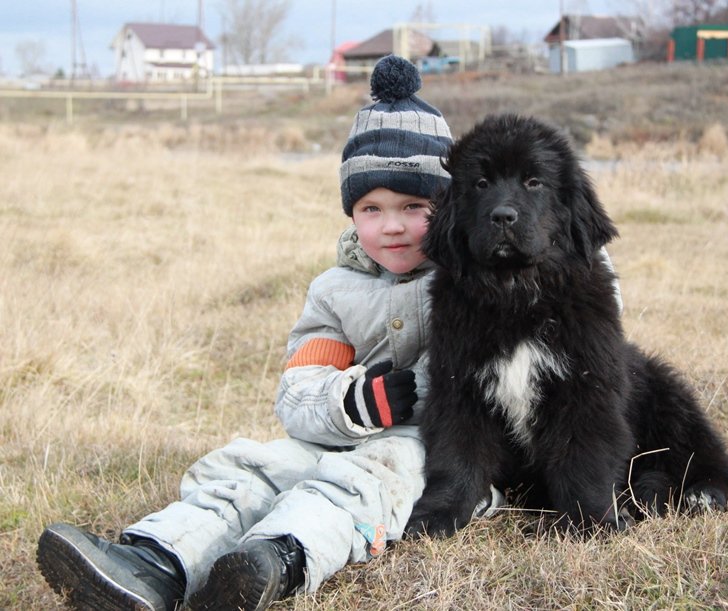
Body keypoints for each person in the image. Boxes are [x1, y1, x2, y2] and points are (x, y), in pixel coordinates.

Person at [36, 55, 502, 611]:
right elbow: (299, 388)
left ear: (449, 207)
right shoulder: (334, 291)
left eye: (414, 205)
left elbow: (511, 360)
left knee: (362, 480)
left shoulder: (476, 276)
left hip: (438, 449)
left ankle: (273, 560)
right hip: (346, 428)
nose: (392, 224)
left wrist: (415, 393)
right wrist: (348, 401)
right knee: (255, 466)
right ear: (352, 213)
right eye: (371, 207)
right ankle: (154, 561)